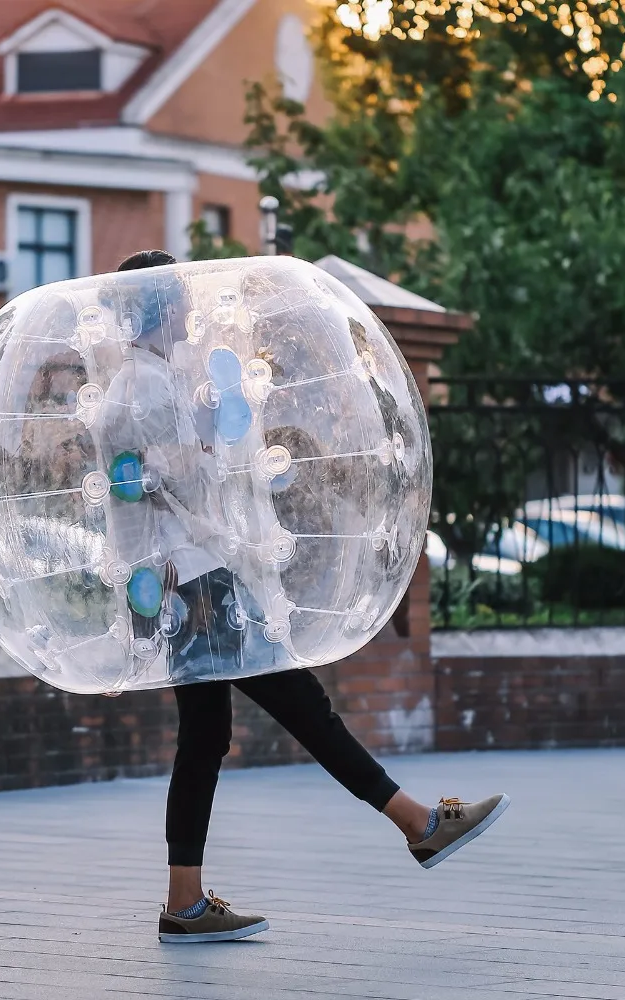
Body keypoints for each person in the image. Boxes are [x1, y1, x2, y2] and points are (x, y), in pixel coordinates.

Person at [114, 250, 510, 944]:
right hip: (199, 581)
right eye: (175, 297)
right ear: (156, 305)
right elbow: (158, 486)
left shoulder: (145, 382)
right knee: (304, 708)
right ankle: (419, 824)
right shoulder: (144, 389)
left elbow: (154, 482)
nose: (185, 310)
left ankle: (184, 902)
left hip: (188, 581)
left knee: (205, 739)